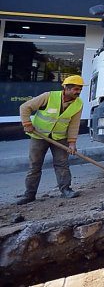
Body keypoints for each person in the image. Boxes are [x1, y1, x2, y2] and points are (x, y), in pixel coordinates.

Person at [17, 75, 85, 205]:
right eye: (76, 89)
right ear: (66, 88)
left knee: (62, 164)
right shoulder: (48, 96)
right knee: (35, 165)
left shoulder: (78, 104)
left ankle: (66, 190)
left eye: (80, 89)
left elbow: (74, 124)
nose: (78, 92)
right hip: (39, 136)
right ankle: (29, 194)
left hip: (59, 138)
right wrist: (27, 124)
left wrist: (72, 143)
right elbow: (24, 107)